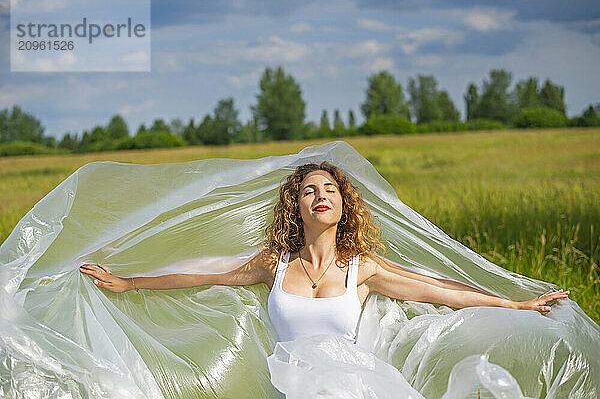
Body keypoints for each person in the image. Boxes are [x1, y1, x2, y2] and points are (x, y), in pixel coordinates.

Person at [79, 161, 569, 343]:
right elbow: (201, 276)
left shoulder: (364, 269)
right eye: (310, 190)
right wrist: (129, 283)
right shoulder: (273, 265)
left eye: (331, 189)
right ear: (296, 205)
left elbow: (442, 292)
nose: (321, 196)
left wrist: (515, 304)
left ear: (343, 203)